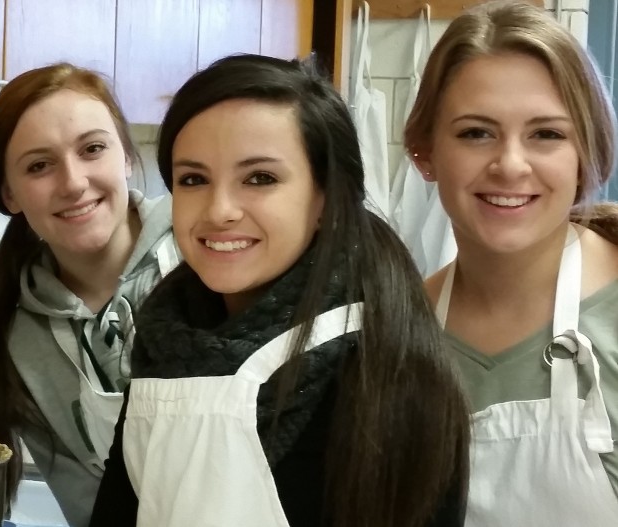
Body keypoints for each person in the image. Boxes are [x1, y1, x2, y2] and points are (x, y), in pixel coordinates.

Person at [89, 54, 470, 527]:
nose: (219, 210)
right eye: (193, 180)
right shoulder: (168, 344)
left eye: (260, 178)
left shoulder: (386, 365)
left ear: (326, 198)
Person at [403, 1, 618, 525]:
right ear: (424, 152)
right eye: (476, 132)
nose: (510, 165)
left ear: (586, 154)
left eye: (546, 134)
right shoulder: (399, 333)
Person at [0, 63, 178, 527]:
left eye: (93, 149)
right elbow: (93, 510)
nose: (73, 183)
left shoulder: (205, 256)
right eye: (40, 165)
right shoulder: (19, 343)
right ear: (10, 194)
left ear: (128, 157)